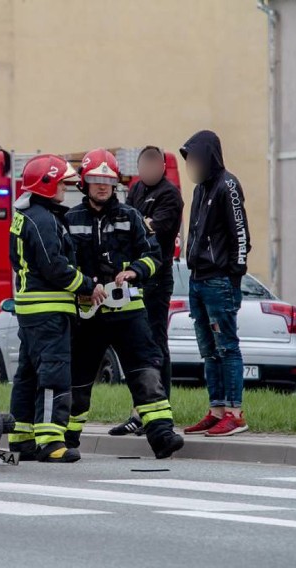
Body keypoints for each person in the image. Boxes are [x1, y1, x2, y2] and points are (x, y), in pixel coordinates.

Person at [65, 148, 184, 459]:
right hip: (88, 314)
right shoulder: (69, 220)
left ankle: (162, 435)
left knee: (146, 371)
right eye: (95, 180)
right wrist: (85, 285)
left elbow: (154, 255)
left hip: (128, 314)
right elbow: (63, 263)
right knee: (79, 380)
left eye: (108, 180)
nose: (102, 186)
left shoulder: (131, 217)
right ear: (84, 183)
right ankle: (68, 439)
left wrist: (135, 270)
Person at [8, 154, 106, 463]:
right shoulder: (44, 219)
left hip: (30, 310)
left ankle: (22, 437)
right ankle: (51, 441)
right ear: (47, 184)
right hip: (48, 311)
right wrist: (88, 286)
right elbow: (55, 267)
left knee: (27, 374)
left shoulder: (26, 215)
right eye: (62, 183)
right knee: (54, 373)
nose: (67, 188)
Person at [180, 130, 252, 437]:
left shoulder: (228, 185)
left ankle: (235, 413)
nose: (191, 165)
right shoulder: (200, 190)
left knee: (227, 347)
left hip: (219, 280)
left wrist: (233, 275)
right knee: (208, 350)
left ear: (208, 156)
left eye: (194, 158)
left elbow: (240, 234)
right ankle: (217, 408)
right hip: (198, 280)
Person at [110, 146, 184, 436]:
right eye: (142, 166)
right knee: (135, 347)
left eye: (152, 166)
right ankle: (138, 411)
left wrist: (134, 225)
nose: (147, 172)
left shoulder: (169, 194)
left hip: (156, 278)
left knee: (154, 344)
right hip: (133, 278)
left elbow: (151, 227)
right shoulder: (137, 189)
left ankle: (157, 409)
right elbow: (127, 221)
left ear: (162, 167)